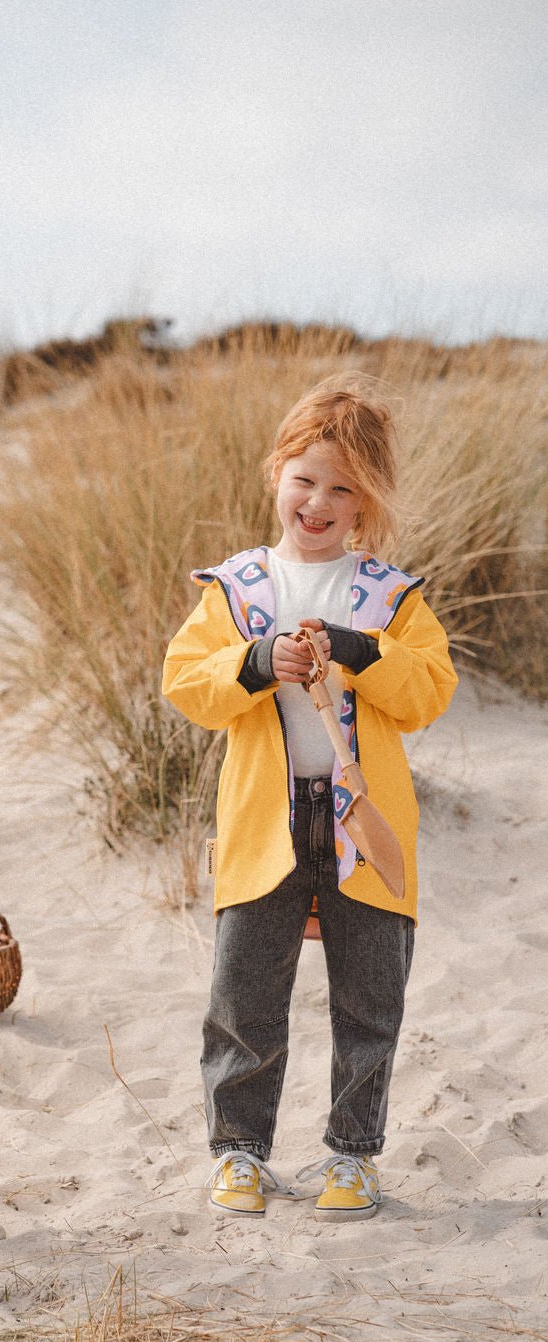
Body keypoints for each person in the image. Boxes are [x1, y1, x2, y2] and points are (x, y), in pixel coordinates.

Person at [162, 378, 457, 1218]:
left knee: (369, 997)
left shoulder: (392, 597)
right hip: (264, 820)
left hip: (365, 820)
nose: (318, 501)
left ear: (367, 499)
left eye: (341, 486)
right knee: (243, 994)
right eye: (304, 478)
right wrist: (254, 664)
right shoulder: (236, 587)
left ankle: (352, 1156)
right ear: (275, 476)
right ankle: (239, 1154)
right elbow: (186, 685)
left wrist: (364, 650)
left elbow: (428, 693)